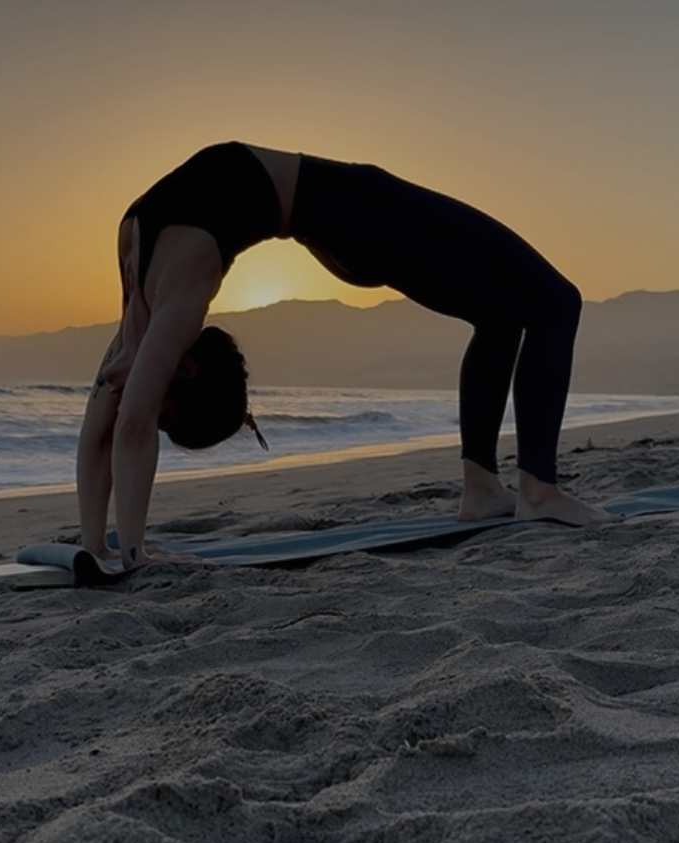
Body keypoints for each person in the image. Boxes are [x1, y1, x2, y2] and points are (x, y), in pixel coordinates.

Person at [78, 142, 616, 571]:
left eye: (168, 410)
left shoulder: (148, 304)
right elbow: (120, 424)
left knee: (505, 314)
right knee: (555, 300)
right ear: (189, 367)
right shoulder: (174, 295)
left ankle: (483, 487)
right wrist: (120, 554)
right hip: (359, 215)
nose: (149, 390)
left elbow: (117, 420)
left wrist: (112, 549)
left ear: (188, 369)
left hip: (350, 222)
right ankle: (538, 490)